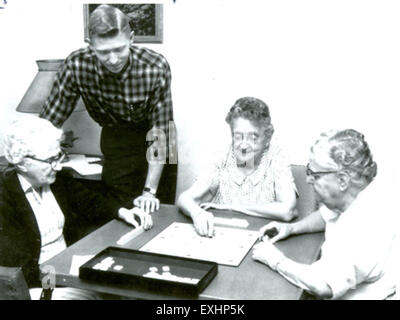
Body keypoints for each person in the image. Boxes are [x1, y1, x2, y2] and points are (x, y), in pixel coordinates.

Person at [39, 4, 177, 213]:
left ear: (131, 38)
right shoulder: (76, 65)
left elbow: (161, 133)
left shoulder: (155, 66)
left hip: (160, 139)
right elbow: (48, 122)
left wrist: (149, 191)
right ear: (90, 45)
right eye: (103, 52)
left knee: (157, 211)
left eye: (119, 49)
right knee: (121, 212)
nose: (113, 59)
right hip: (116, 138)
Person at [0, 117, 152, 299]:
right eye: (50, 160)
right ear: (22, 162)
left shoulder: (57, 180)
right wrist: (67, 276)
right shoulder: (5, 197)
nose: (57, 166)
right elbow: (17, 267)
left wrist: (122, 211)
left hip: (65, 273)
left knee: (125, 288)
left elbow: (90, 201)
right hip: (36, 284)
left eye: (58, 157)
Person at [252, 129, 397, 299]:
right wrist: (291, 228)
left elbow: (323, 285)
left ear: (342, 180)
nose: (308, 180)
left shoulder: (363, 225)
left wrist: (274, 259)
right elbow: (326, 214)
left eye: (315, 175)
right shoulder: (362, 193)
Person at [178, 97, 298, 237]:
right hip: (223, 235)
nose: (244, 145)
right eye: (238, 136)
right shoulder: (222, 158)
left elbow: (287, 210)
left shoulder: (277, 158)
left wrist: (232, 207)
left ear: (267, 137)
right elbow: (185, 198)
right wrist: (197, 213)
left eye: (253, 137)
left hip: (262, 238)